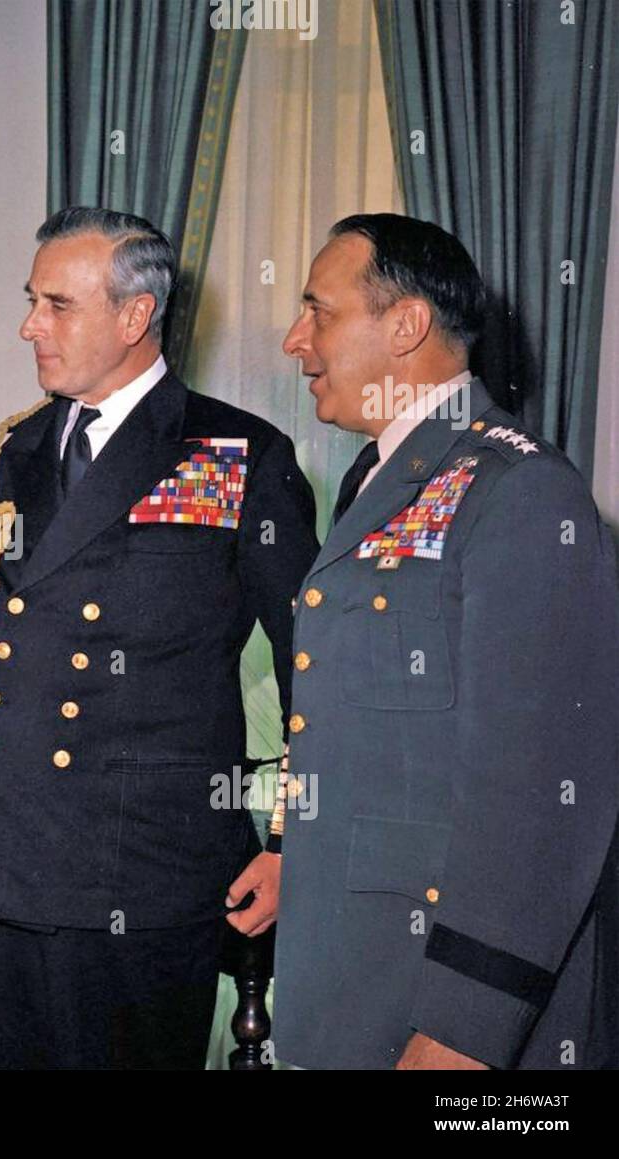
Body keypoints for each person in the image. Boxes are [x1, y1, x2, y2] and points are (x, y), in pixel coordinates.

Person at [0, 206, 320, 1069]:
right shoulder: (23, 444)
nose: (30, 324)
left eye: (57, 305)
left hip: (143, 857)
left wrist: (294, 843)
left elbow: (313, 673)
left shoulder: (237, 452)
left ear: (135, 317)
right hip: (15, 838)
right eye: (34, 300)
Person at [273, 212, 619, 1069]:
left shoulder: (521, 490)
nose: (294, 339)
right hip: (357, 969)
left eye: (318, 310)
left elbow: (543, 789)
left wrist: (467, 1026)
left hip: (443, 1004)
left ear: (406, 324)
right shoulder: (382, 474)